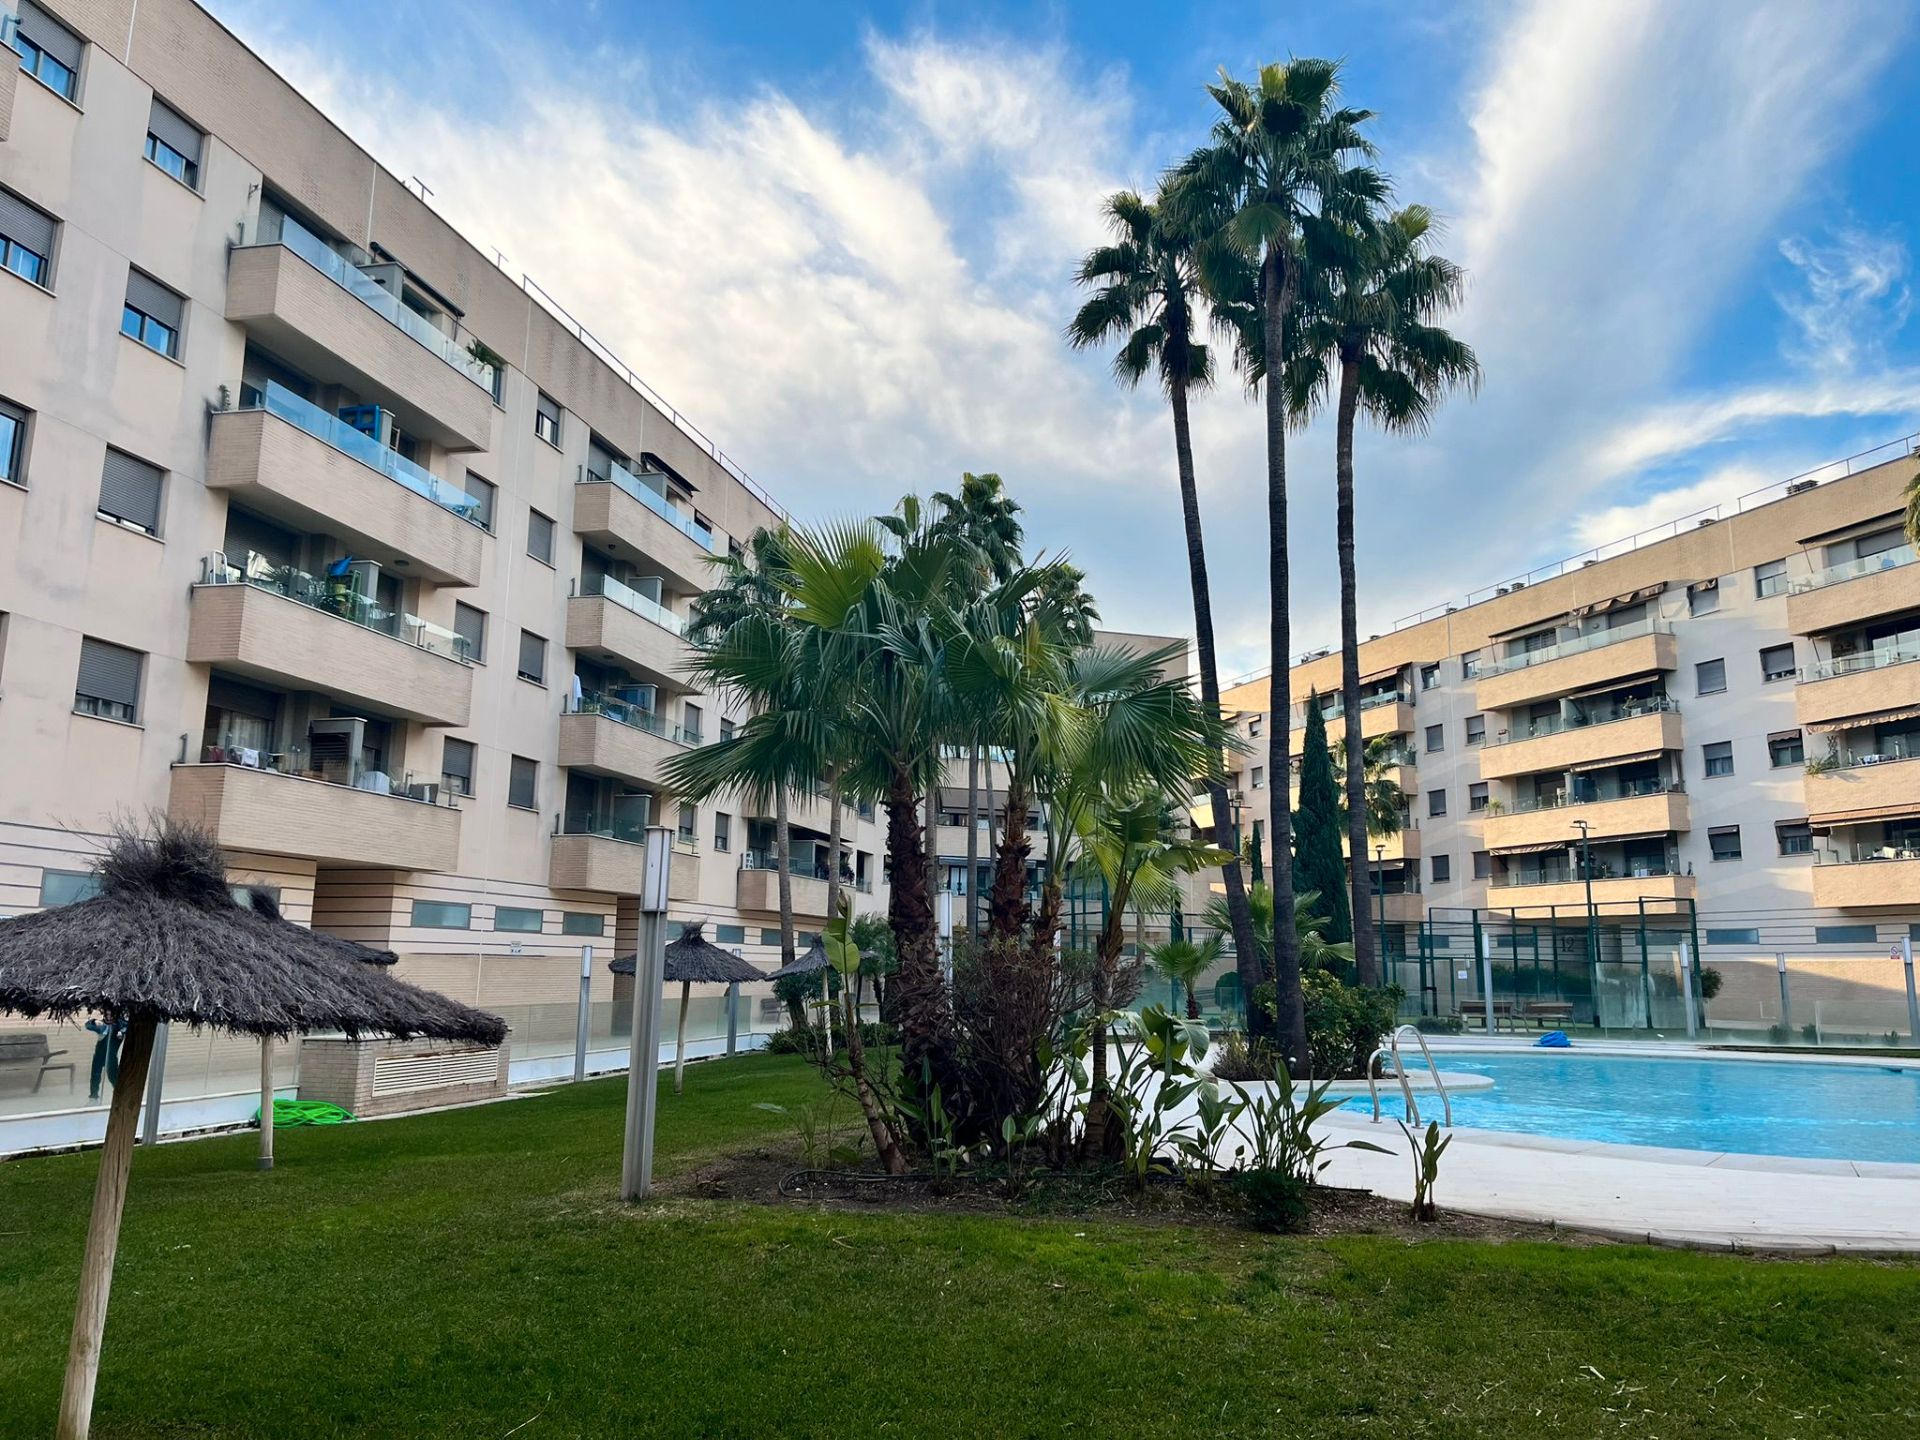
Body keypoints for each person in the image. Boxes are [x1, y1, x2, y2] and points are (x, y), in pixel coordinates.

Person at [85, 1015, 126, 1102]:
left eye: (110, 1015)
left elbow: (127, 1027)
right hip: (99, 1055)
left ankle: (119, 1096)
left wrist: (122, 1032)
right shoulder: (103, 1025)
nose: (109, 1017)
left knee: (113, 1077)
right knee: (95, 1076)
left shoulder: (120, 1025)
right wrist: (94, 1021)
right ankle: (93, 1097)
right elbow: (88, 1025)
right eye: (106, 1015)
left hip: (111, 1057)